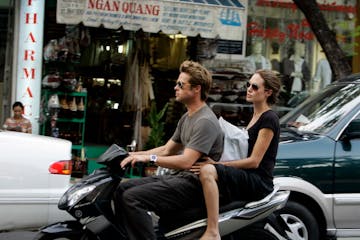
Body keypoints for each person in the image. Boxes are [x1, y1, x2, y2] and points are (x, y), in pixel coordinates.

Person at [114, 60, 224, 240]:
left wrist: (149, 159)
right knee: (122, 189)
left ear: (197, 89)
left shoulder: (205, 121)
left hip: (193, 184)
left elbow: (186, 161)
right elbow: (167, 149)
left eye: (181, 84)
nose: (175, 88)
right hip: (180, 178)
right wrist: (133, 154)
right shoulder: (187, 117)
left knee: (131, 198)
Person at [195, 69, 281, 240]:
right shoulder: (255, 115)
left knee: (207, 171)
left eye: (255, 87)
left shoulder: (269, 118)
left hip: (258, 181)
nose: (249, 89)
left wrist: (217, 166)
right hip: (247, 175)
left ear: (268, 92)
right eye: (248, 85)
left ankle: (212, 231)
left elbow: (254, 161)